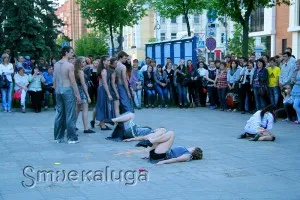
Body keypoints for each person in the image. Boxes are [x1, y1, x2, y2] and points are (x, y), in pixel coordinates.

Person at [53, 46, 81, 144]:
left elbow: (54, 79)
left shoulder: (56, 64)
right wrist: (77, 95)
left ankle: (57, 137)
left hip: (58, 90)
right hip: (67, 90)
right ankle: (71, 138)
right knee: (70, 114)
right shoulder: (69, 65)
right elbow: (73, 81)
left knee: (59, 114)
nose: (72, 54)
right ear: (66, 53)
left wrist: (56, 90)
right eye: (71, 52)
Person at [125, 130, 203, 165]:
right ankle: (150, 141)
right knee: (162, 131)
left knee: (171, 133)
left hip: (161, 157)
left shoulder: (188, 155)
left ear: (193, 149)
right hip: (157, 154)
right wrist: (148, 157)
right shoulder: (186, 151)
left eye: (192, 147)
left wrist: (163, 162)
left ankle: (150, 141)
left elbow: (176, 159)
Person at [74, 56, 95, 134]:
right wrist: (88, 96)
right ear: (79, 63)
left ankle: (72, 125)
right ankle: (86, 128)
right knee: (85, 110)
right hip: (82, 91)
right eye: (83, 62)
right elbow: (83, 84)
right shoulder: (80, 72)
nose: (84, 63)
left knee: (77, 110)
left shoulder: (75, 71)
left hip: (77, 91)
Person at [95, 56, 115, 130]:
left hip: (103, 89)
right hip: (103, 89)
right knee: (102, 105)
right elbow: (104, 83)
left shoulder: (104, 70)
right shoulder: (104, 71)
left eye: (109, 60)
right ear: (104, 61)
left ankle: (101, 123)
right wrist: (109, 94)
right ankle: (102, 124)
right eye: (108, 60)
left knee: (103, 105)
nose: (109, 62)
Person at [291, 59, 300, 124]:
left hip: (299, 90)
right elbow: (292, 79)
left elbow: (295, 81)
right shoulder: (297, 71)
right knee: (296, 105)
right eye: (297, 64)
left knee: (295, 105)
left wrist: (296, 82)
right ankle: (299, 119)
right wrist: (294, 71)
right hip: (295, 89)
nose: (297, 65)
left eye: (298, 64)